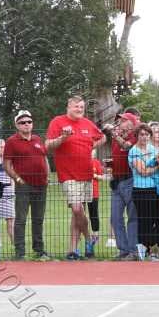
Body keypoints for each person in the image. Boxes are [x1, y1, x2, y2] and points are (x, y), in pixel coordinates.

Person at [46, 96, 106, 261]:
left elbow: (103, 137)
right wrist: (63, 138)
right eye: (76, 107)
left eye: (81, 107)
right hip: (68, 174)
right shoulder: (58, 122)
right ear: (68, 107)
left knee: (77, 214)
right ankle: (89, 238)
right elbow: (48, 146)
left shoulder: (87, 123)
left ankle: (72, 250)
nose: (79, 109)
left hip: (86, 174)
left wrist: (90, 146)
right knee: (77, 209)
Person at [3, 109, 51, 260]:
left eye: (29, 121)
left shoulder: (37, 139)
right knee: (21, 219)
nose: (26, 124)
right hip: (23, 185)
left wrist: (47, 176)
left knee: (38, 219)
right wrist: (18, 179)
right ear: (17, 125)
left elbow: (44, 158)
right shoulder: (11, 141)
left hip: (41, 185)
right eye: (22, 122)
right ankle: (20, 252)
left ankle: (39, 250)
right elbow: (7, 164)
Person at [104, 112, 141, 260]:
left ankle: (133, 251)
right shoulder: (116, 138)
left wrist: (114, 134)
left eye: (122, 120)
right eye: (118, 120)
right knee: (115, 218)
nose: (118, 122)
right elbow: (118, 157)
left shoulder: (135, 137)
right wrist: (110, 165)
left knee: (133, 217)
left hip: (131, 181)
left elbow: (127, 147)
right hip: (117, 182)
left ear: (131, 124)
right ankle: (123, 250)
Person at [129, 125, 159, 261]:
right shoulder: (134, 151)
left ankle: (148, 248)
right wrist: (157, 167)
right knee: (145, 221)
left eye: (147, 134)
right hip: (141, 190)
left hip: (156, 189)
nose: (144, 137)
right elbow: (142, 172)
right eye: (142, 134)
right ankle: (145, 251)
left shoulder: (154, 149)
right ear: (137, 136)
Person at [88, 148, 106, 257]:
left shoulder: (96, 163)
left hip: (94, 193)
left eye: (93, 150)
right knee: (82, 214)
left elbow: (102, 177)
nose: (92, 152)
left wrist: (95, 176)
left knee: (93, 214)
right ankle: (85, 234)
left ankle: (95, 234)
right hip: (82, 192)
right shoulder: (82, 161)